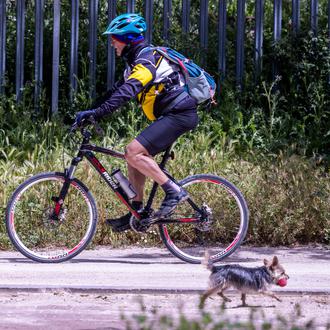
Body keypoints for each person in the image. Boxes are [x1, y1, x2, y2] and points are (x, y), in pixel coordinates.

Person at [75, 13, 199, 232]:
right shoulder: (135, 63)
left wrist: (99, 112)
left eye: (115, 37)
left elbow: (128, 91)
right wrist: (90, 111)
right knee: (132, 154)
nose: (112, 42)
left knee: (134, 151)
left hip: (180, 114)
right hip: (171, 115)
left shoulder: (146, 60)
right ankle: (138, 210)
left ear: (128, 38)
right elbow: (114, 91)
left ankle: (174, 191)